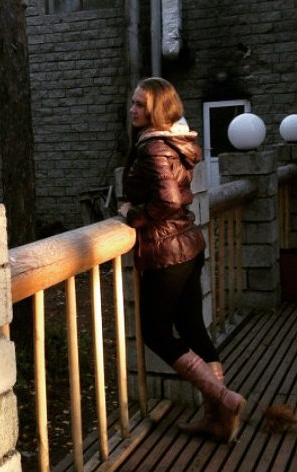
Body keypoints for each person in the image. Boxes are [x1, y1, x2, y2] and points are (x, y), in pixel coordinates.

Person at [118, 77, 246, 443]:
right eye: (133, 102)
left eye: (140, 104)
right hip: (188, 244)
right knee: (191, 327)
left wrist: (132, 214)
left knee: (155, 333)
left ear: (157, 109)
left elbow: (169, 201)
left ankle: (224, 399)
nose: (133, 109)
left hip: (167, 252)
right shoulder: (176, 141)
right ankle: (216, 416)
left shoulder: (154, 147)